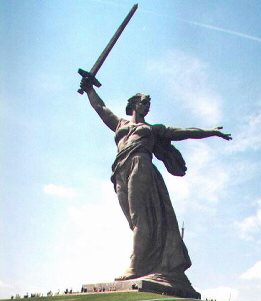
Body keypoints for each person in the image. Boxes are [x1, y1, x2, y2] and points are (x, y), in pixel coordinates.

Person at [80, 78, 232, 284]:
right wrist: (89, 88)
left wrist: (211, 132)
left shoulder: (153, 129)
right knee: (134, 222)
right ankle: (147, 261)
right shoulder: (119, 124)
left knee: (140, 218)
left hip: (140, 164)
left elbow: (184, 132)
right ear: (133, 104)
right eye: (144, 103)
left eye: (148, 105)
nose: (147, 108)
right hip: (119, 170)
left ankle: (135, 265)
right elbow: (100, 107)